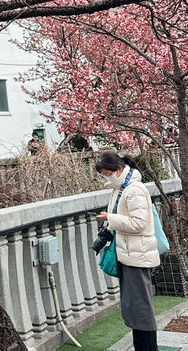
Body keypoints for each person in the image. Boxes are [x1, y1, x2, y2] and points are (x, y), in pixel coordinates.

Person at [95, 150, 160, 351]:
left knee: (141, 308)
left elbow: (140, 223)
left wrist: (110, 219)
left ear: (119, 170)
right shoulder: (120, 188)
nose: (106, 177)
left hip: (137, 256)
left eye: (107, 173)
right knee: (134, 307)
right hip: (129, 254)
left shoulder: (134, 190)